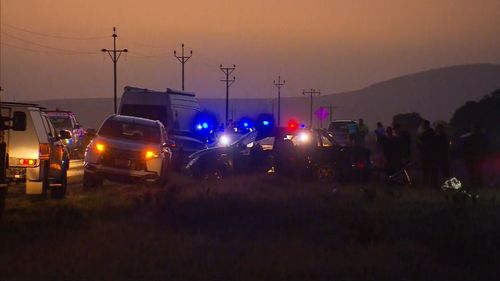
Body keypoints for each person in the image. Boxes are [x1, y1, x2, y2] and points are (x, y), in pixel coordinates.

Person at [418, 120, 438, 187]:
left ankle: (431, 184)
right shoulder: (428, 133)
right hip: (426, 154)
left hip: (429, 154)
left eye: (423, 125)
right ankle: (428, 184)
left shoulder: (430, 133)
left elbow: (428, 143)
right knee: (426, 170)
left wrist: (422, 144)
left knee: (429, 170)